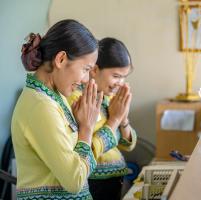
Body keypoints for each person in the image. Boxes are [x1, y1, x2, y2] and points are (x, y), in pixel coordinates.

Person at [11, 19, 103, 199]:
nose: (86, 79)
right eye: (85, 69)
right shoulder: (41, 105)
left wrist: (80, 123)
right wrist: (86, 129)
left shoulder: (54, 96)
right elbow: (74, 181)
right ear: (61, 59)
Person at [68, 37, 137, 200]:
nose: (120, 83)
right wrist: (114, 120)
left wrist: (123, 119)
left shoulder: (107, 98)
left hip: (113, 182)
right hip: (93, 184)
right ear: (94, 70)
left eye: (124, 77)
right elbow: (84, 148)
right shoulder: (78, 99)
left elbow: (128, 145)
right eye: (116, 76)